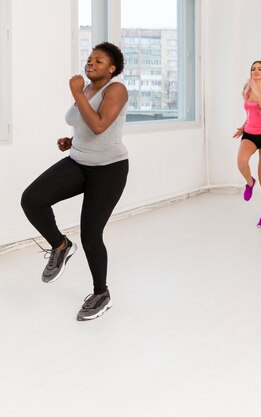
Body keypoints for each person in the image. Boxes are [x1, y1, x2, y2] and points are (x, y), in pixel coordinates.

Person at [21, 42, 129, 321]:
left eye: (99, 61)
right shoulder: (87, 90)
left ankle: (101, 293)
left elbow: (99, 125)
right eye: (90, 59)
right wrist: (71, 140)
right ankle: (60, 246)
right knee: (32, 199)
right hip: (79, 161)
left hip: (109, 170)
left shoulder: (115, 89)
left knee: (91, 235)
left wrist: (75, 91)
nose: (91, 63)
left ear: (112, 68)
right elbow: (85, 125)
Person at [233, 61, 261, 227]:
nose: (256, 71)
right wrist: (243, 127)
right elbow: (249, 113)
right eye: (253, 69)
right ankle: (250, 183)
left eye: (260, 69)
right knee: (241, 162)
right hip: (250, 134)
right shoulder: (246, 89)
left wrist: (258, 93)